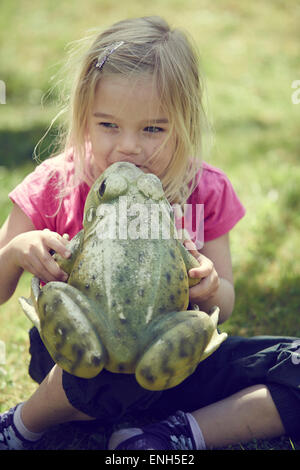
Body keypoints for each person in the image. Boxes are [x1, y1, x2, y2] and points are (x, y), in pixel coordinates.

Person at [0, 16, 299, 451]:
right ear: (84, 116)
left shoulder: (205, 190)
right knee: (106, 370)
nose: (129, 147)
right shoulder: (57, 184)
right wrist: (15, 252)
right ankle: (23, 425)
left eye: (153, 129)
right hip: (83, 364)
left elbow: (225, 304)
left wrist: (211, 288)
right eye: (108, 125)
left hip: (175, 360)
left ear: (185, 121)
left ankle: (173, 437)